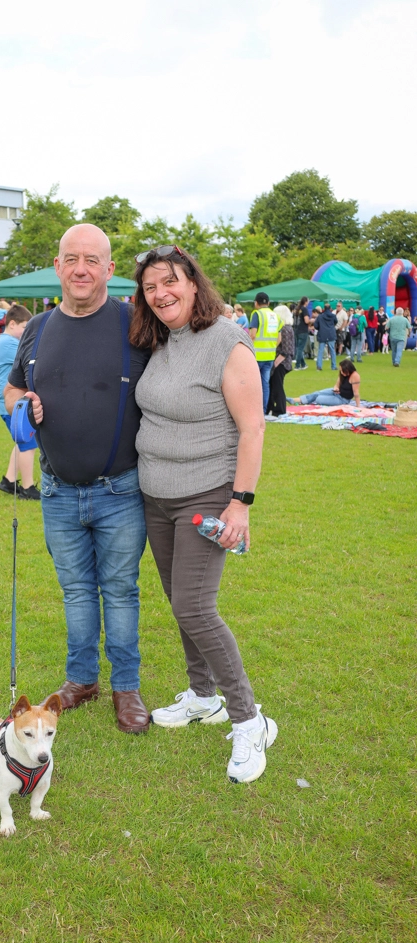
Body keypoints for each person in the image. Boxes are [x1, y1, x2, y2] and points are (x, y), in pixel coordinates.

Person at [131, 244, 277, 784]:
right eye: (150, 287)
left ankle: (249, 719)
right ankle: (201, 696)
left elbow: (252, 428)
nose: (161, 293)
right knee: (179, 602)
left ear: (193, 283)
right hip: (156, 496)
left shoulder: (226, 341)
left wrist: (240, 502)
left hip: (206, 496)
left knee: (195, 606)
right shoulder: (160, 340)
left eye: (170, 281)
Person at [4, 223, 152, 735]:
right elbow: (11, 389)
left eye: (93, 259)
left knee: (120, 590)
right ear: (58, 266)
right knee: (76, 591)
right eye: (72, 258)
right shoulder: (38, 328)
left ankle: (126, 687)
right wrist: (20, 405)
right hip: (56, 491)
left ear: (110, 269)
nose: (81, 268)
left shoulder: (136, 322)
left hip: (121, 491)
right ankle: (82, 680)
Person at [0, 303, 40, 500]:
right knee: (29, 444)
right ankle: (28, 488)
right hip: (13, 404)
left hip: (11, 404)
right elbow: (32, 361)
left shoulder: (7, 341)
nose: (26, 333)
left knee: (22, 442)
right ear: (12, 324)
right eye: (24, 328)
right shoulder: (9, 343)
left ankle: (9, 480)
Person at [248, 292, 280, 413]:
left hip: (257, 355)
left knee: (253, 384)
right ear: (269, 303)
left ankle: (253, 410)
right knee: (265, 384)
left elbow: (253, 334)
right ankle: (263, 410)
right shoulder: (275, 316)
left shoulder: (257, 314)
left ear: (256, 303)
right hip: (270, 355)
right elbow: (279, 338)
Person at [288, 358, 361, 407]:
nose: (341, 372)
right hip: (336, 392)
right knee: (316, 393)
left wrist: (358, 406)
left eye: (342, 371)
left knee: (318, 399)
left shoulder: (355, 376)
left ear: (348, 370)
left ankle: (301, 401)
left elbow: (356, 392)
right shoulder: (343, 373)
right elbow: (338, 381)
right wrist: (336, 387)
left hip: (343, 399)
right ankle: (295, 400)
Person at [267, 304, 294, 417]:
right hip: (281, 361)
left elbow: (286, 349)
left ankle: (280, 409)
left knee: (277, 386)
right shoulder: (285, 328)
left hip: (282, 362)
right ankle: (271, 407)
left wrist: (276, 363)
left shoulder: (285, 329)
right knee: (273, 385)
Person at [314, 302, 337, 371]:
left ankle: (319, 366)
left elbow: (315, 325)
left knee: (320, 351)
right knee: (332, 350)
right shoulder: (333, 316)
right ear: (330, 308)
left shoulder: (320, 316)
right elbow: (335, 322)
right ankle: (333, 366)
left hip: (322, 334)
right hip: (331, 334)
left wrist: (320, 328)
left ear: (323, 308)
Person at [293, 296, 311, 370]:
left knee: (298, 348)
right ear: (306, 301)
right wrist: (312, 320)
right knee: (300, 348)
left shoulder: (297, 309)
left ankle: (303, 364)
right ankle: (297, 366)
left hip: (296, 330)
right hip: (303, 330)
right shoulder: (304, 309)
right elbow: (306, 320)